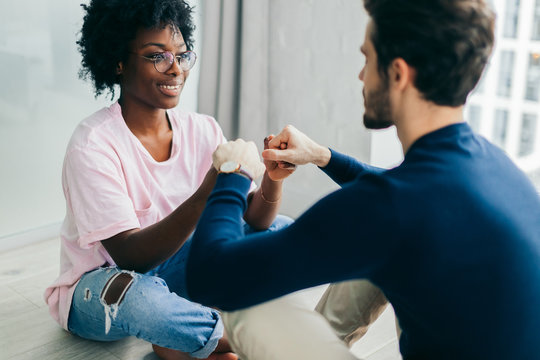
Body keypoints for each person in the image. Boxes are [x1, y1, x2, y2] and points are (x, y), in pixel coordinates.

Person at [184, 0, 540, 359]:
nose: (361, 75)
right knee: (383, 254)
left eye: (367, 58)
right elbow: (403, 193)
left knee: (251, 308)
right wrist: (322, 155)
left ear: (398, 74)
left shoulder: (392, 207)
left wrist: (235, 173)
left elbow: (210, 275)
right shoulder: (496, 167)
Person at [43, 1, 293, 359]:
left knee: (282, 230)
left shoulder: (203, 129)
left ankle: (183, 337)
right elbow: (131, 258)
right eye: (157, 56)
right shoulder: (92, 145)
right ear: (118, 61)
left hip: (176, 269)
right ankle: (232, 337)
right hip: (102, 288)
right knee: (142, 300)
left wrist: (272, 179)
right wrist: (209, 188)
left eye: (181, 55)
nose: (175, 69)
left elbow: (254, 219)